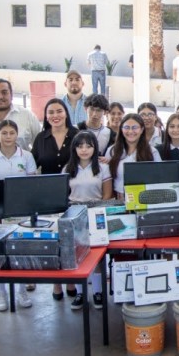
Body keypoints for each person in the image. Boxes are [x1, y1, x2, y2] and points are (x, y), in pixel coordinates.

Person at [0, 119, 37, 311]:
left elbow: (31, 184)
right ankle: (2, 294)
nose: (8, 136)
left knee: (19, 250)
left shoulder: (26, 156)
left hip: (20, 211)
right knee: (1, 251)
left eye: (11, 132)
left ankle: (21, 291)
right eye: (4, 133)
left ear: (17, 134)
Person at [65, 130, 113, 310]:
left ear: (95, 148)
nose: (84, 150)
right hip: (75, 213)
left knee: (97, 254)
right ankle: (80, 293)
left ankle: (98, 292)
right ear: (74, 148)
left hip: (96, 213)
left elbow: (107, 195)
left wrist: (98, 209)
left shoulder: (102, 168)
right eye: (80, 146)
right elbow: (65, 195)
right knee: (77, 255)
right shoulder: (67, 168)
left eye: (88, 146)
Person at [105, 112, 161, 200]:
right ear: (121, 129)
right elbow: (106, 178)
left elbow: (159, 178)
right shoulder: (112, 151)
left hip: (144, 199)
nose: (130, 131)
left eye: (135, 127)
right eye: (126, 127)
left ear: (142, 129)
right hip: (118, 200)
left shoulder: (152, 152)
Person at [31, 98, 79, 176]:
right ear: (46, 116)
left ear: (66, 114)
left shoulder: (78, 135)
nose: (55, 115)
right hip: (48, 186)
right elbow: (31, 165)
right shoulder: (40, 138)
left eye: (59, 111)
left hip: (74, 186)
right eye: (51, 112)